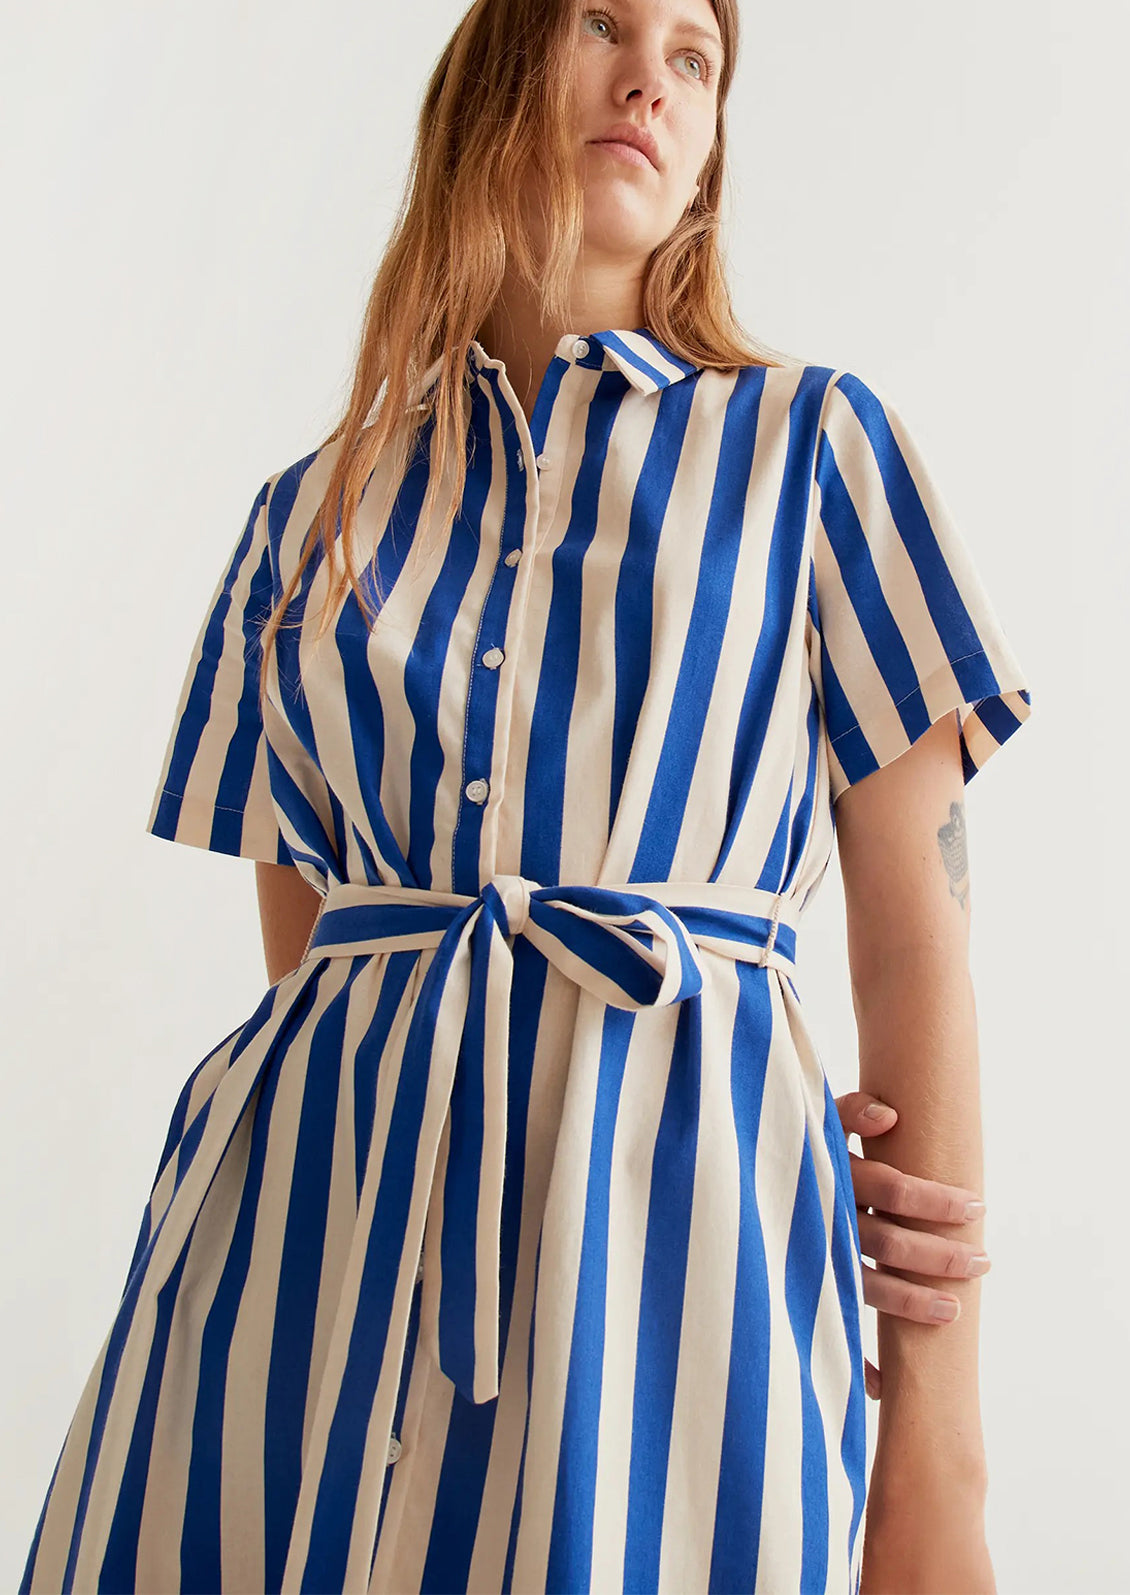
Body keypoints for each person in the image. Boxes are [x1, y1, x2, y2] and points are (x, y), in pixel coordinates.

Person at [19, 0, 1032, 1591]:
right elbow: (317, 966)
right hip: (300, 1267)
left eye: (693, 57)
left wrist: (939, 1472)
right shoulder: (310, 516)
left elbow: (917, 955)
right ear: (494, 73)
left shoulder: (815, 453)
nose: (649, 75)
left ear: (706, 152)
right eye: (601, 25)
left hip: (679, 1273)